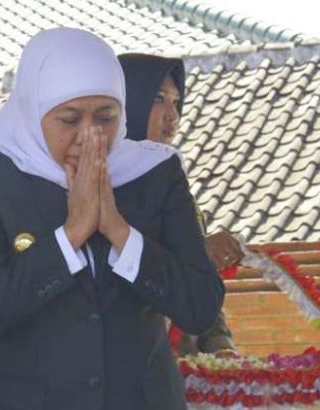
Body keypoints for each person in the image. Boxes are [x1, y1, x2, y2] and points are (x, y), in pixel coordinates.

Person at [0, 28, 224, 410]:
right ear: (35, 112)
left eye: (105, 117)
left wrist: (119, 231)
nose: (90, 135)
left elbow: (200, 306)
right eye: (69, 119)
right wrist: (71, 235)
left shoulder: (155, 174)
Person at [116, 53, 240, 356]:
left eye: (176, 102)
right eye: (158, 99)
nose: (172, 115)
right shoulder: (97, 186)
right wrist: (196, 256)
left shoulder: (173, 187)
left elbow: (199, 282)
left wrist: (221, 348)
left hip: (178, 378)